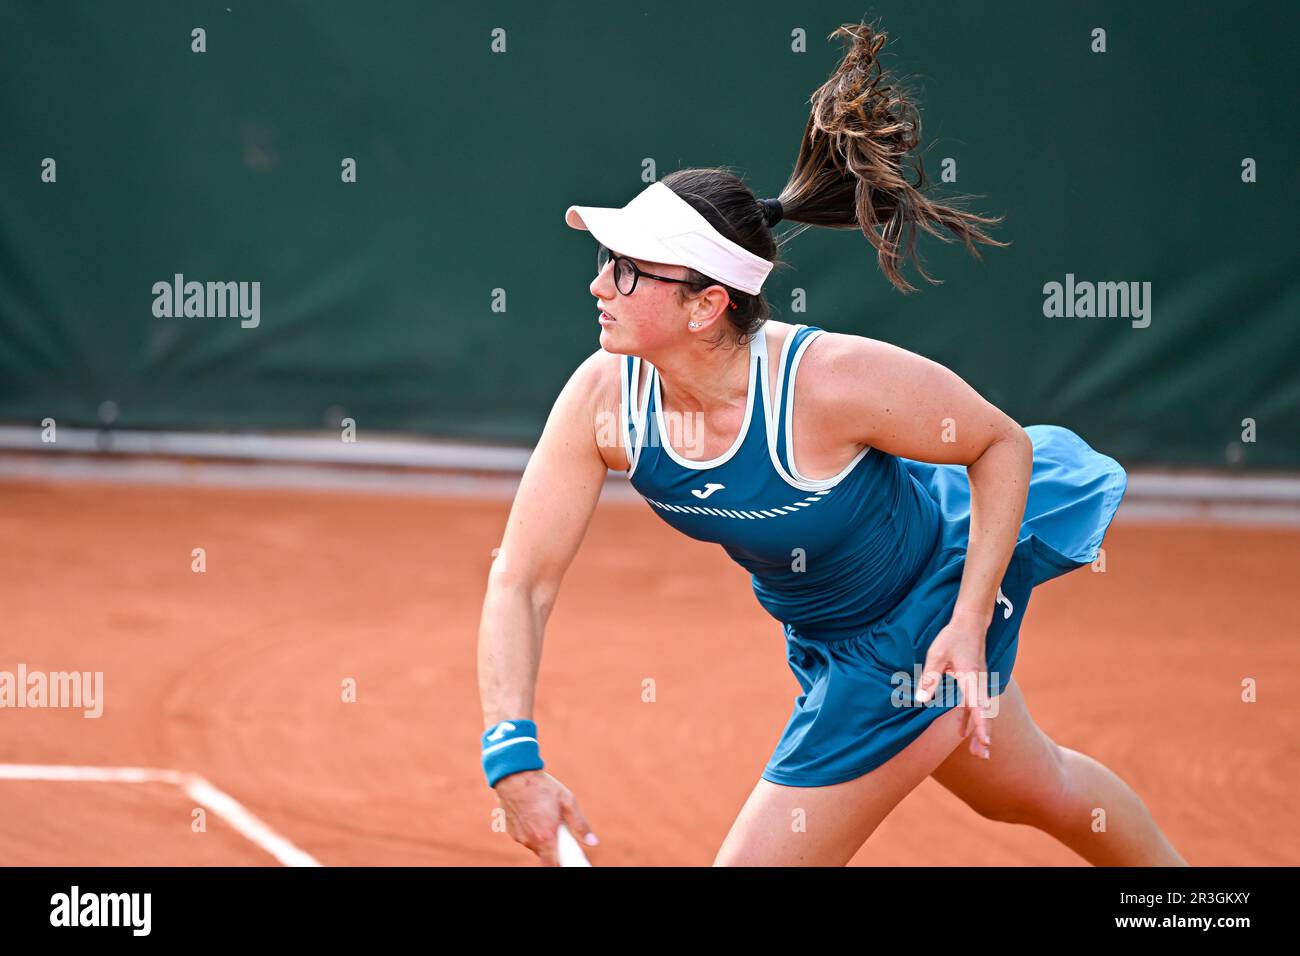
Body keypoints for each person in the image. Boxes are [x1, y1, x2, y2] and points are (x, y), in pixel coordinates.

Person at [477, 20, 1187, 867]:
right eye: (603, 257)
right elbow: (522, 579)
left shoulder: (831, 384)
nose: (598, 283)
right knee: (1040, 792)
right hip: (826, 639)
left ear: (706, 305)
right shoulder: (604, 401)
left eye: (628, 268)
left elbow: (998, 446)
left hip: (919, 625)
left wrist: (965, 623)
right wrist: (512, 757)